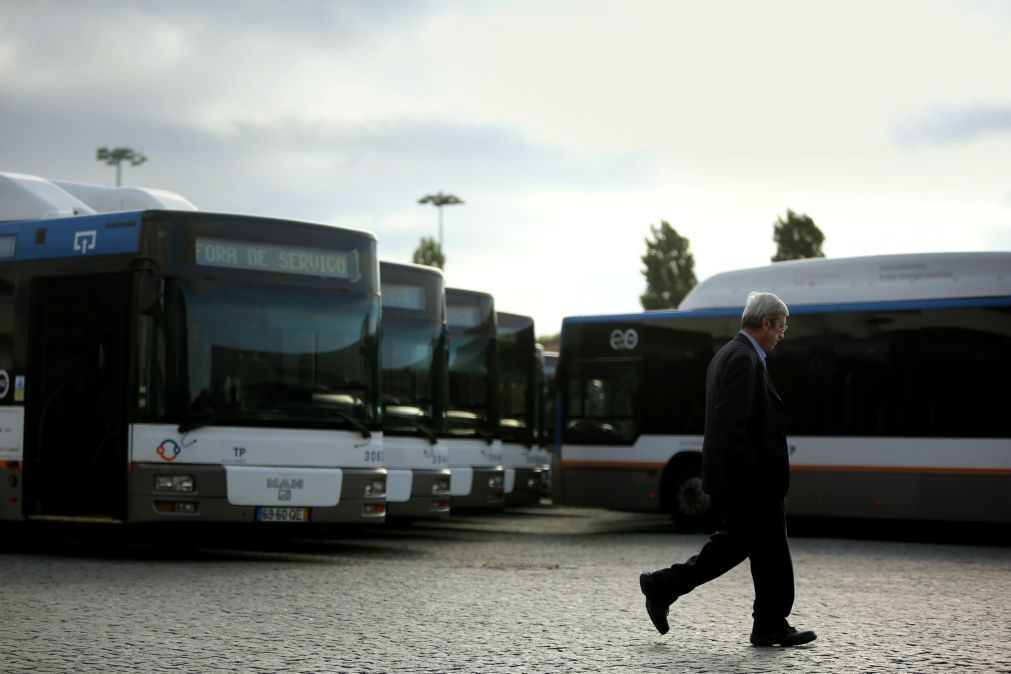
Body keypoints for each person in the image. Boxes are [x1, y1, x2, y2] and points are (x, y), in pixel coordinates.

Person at [639, 291, 817, 647]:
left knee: (742, 546)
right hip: (748, 481)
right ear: (765, 322)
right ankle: (768, 623)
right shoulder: (742, 357)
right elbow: (733, 425)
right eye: (781, 326)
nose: (783, 333)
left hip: (741, 479)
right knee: (766, 548)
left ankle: (668, 588)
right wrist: (758, 477)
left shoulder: (734, 353)